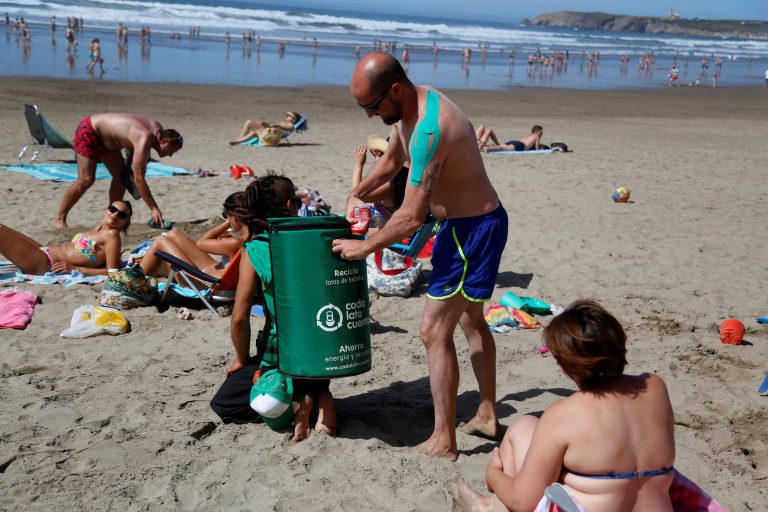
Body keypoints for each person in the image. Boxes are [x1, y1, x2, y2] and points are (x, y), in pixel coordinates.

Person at [332, 52, 507, 460]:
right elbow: (393, 161)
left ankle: (444, 441)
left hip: (473, 232)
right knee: (471, 320)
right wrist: (355, 195)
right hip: (464, 227)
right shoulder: (411, 109)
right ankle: (486, 414)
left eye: (372, 107)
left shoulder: (430, 128)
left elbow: (411, 216)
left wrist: (365, 246)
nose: (370, 117)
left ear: (394, 90)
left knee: (433, 331)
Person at [458, 300, 677, 511]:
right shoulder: (655, 387)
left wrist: (493, 473)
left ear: (568, 366)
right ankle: (487, 506)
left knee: (523, 427)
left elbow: (521, 501)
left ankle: (486, 508)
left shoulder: (564, 415)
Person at [211, 174, 336, 442]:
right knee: (301, 347)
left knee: (225, 403)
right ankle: (321, 397)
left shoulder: (255, 249)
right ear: (291, 207)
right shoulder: (313, 237)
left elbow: (239, 319)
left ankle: (299, 404)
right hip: (326, 346)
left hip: (284, 352)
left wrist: (241, 359)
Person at [55, 113, 183, 229]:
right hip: (90, 131)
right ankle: (59, 219)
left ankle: (109, 218)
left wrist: (127, 165)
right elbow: (139, 179)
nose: (171, 155)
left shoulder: (156, 129)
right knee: (86, 179)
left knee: (121, 178)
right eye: (172, 151)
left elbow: (134, 145)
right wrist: (154, 208)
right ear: (164, 142)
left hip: (108, 142)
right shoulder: (144, 137)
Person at [139, 192, 246, 285]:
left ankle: (134, 281)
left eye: (226, 215)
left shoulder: (235, 243)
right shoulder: (251, 240)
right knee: (173, 234)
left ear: (235, 217)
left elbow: (201, 243)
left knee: (160, 241)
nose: (226, 219)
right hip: (209, 270)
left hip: (204, 282)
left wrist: (227, 224)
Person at [1, 201, 132, 276]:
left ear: (125, 222)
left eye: (121, 215)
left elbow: (112, 272)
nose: (115, 214)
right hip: (43, 251)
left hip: (44, 264)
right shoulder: (97, 229)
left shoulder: (112, 236)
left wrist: (75, 269)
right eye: (113, 209)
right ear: (106, 210)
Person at [351, 135, 409, 224]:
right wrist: (378, 160)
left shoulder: (391, 187)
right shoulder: (400, 179)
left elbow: (356, 196)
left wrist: (359, 165)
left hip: (383, 235)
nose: (377, 155)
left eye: (382, 154)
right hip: (381, 227)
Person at [228, 111, 305, 146]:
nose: (287, 116)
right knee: (249, 122)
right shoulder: (287, 124)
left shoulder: (290, 125)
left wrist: (269, 124)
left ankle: (238, 141)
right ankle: (239, 138)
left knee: (256, 131)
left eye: (289, 116)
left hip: (272, 136)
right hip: (271, 133)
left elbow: (277, 127)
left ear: (294, 119)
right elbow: (276, 126)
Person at [479, 125, 543, 152]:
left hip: (514, 142)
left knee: (501, 146)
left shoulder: (528, 135)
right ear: (537, 131)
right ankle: (488, 148)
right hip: (520, 145)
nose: (542, 133)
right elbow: (537, 149)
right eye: (541, 132)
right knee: (503, 148)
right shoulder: (537, 135)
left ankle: (484, 146)